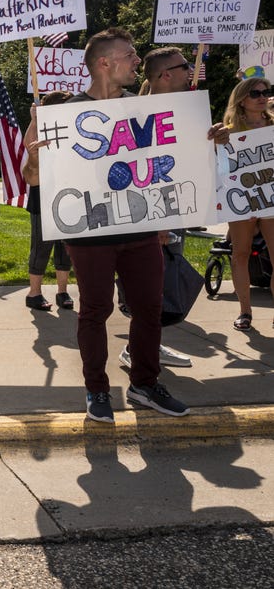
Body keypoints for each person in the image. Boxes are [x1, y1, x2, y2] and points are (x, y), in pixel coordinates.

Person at [62, 28, 190, 424]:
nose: (138, 61)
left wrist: (207, 140)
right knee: (94, 311)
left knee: (150, 309)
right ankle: (97, 390)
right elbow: (34, 177)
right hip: (91, 234)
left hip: (140, 231)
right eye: (131, 55)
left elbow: (169, 161)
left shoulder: (143, 109)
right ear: (105, 62)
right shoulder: (64, 114)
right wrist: (36, 157)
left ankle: (145, 384)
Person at [118, 47, 230, 367]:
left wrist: (217, 137)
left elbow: (190, 160)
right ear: (166, 74)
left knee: (160, 285)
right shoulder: (139, 113)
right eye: (184, 67)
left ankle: (146, 346)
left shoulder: (182, 111)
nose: (190, 72)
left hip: (173, 211)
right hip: (151, 216)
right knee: (151, 287)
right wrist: (160, 220)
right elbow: (140, 170)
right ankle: (140, 351)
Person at [223, 75, 274, 331]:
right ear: (242, 99)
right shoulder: (227, 133)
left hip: (272, 199)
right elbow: (221, 169)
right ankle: (245, 311)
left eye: (266, 92)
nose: (262, 97)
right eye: (255, 93)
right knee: (240, 254)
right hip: (241, 199)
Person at [23, 90, 74, 312]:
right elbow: (29, 145)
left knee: (66, 248)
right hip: (44, 194)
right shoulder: (42, 126)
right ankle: (34, 293)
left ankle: (63, 291)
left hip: (70, 195)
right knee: (41, 246)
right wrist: (35, 119)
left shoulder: (73, 128)